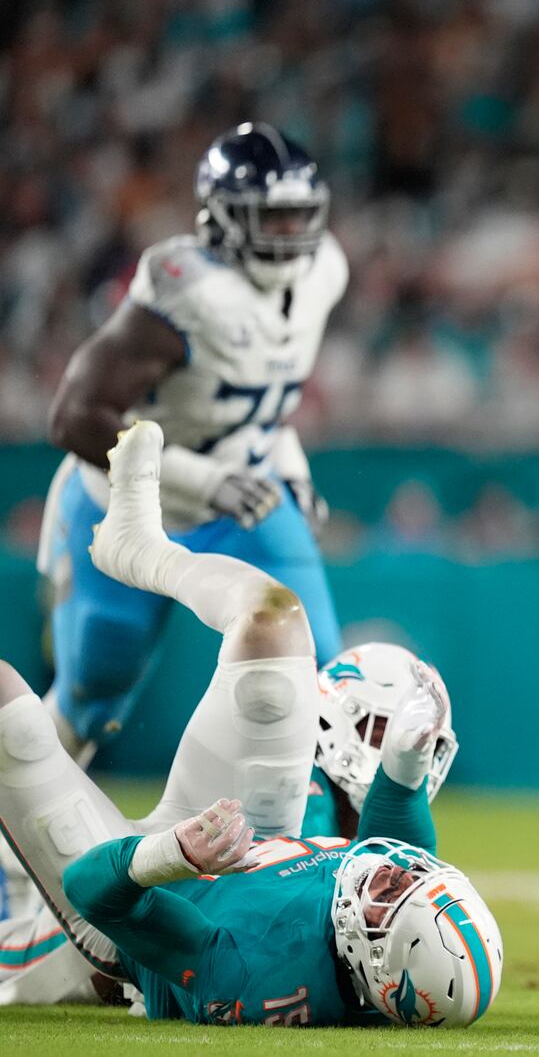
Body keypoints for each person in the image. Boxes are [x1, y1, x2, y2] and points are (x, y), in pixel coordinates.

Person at [0, 421, 500, 1025]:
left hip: (129, 906)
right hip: (243, 836)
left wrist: (175, 851)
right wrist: (404, 761)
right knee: (275, 621)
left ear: (376, 967)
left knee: (13, 717)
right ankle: (140, 549)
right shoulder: (387, 907)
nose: (389, 873)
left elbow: (92, 888)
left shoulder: (252, 973)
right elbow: (396, 843)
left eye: (387, 894)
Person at [37, 121, 346, 767]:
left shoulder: (325, 273)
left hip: (248, 501)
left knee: (322, 690)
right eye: (273, 219)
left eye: (299, 218)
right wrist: (208, 481)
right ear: (225, 219)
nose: (292, 236)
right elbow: (74, 417)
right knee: (92, 700)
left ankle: (320, 856)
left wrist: (293, 470)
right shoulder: (186, 291)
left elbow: (268, 402)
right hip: (124, 512)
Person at [0, 639, 460, 1006]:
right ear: (337, 721)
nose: (414, 743)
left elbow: (393, 891)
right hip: (117, 937)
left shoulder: (353, 820)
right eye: (382, 730)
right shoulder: (302, 792)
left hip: (152, 918)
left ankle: (19, 882)